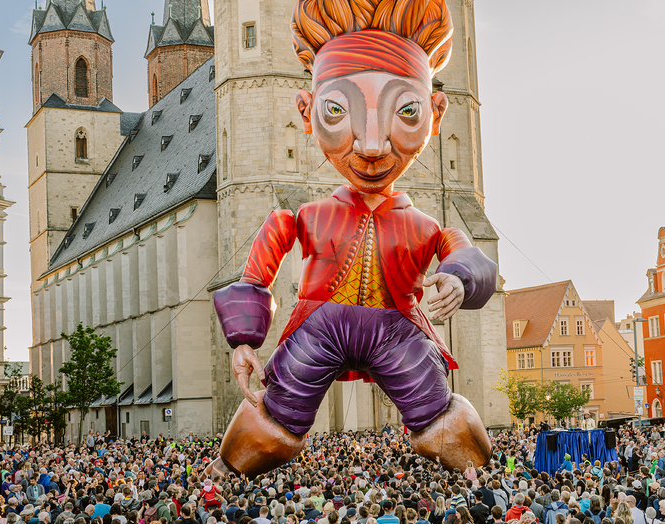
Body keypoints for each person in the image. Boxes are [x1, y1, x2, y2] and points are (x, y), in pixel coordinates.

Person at [206, 0, 498, 479]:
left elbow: (465, 250)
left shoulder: (422, 226)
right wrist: (242, 338)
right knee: (279, 414)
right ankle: (227, 468)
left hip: (393, 331)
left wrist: (462, 278)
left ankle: (475, 476)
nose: (369, 145)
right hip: (323, 329)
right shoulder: (313, 214)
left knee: (437, 411)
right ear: (306, 110)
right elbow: (270, 245)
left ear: (436, 111)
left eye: (406, 111)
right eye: (337, 110)